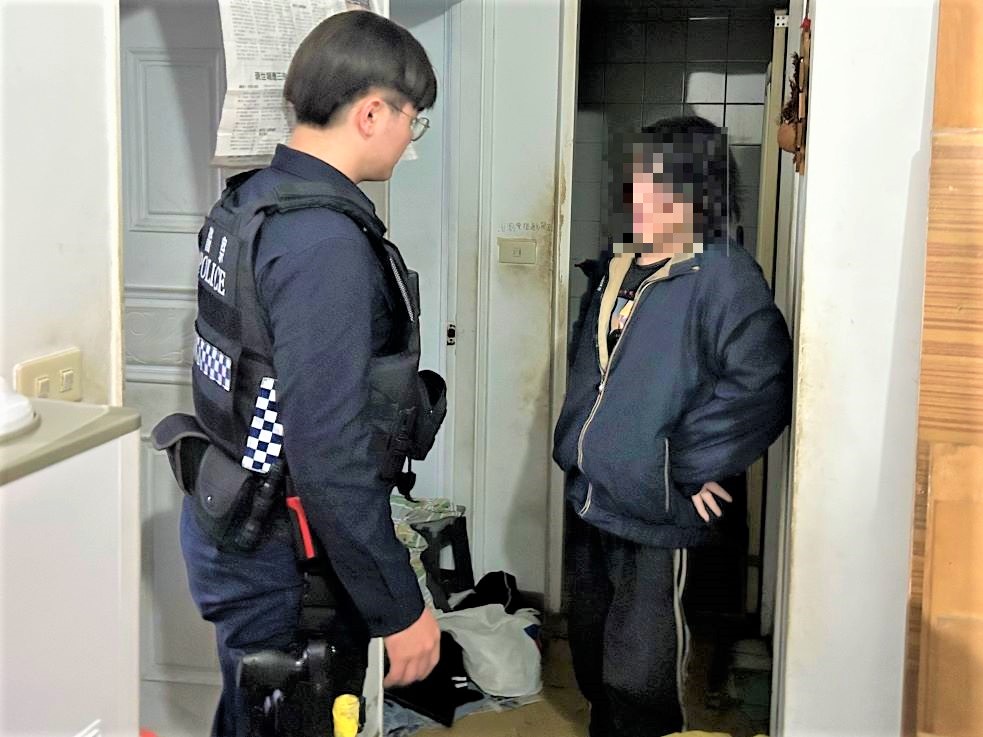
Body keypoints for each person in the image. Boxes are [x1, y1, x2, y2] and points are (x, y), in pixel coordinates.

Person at [175, 11, 442, 736]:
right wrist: (400, 605)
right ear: (371, 113)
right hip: (280, 548)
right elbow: (325, 451)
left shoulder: (250, 201)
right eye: (412, 122)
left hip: (232, 515)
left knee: (250, 716)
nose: (410, 141)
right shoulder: (323, 240)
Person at [552, 116, 793, 737]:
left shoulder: (722, 273)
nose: (642, 194)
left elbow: (762, 384)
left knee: (644, 681)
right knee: (593, 659)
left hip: (660, 514)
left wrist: (687, 462)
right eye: (639, 177)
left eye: (662, 182)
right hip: (594, 500)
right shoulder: (619, 268)